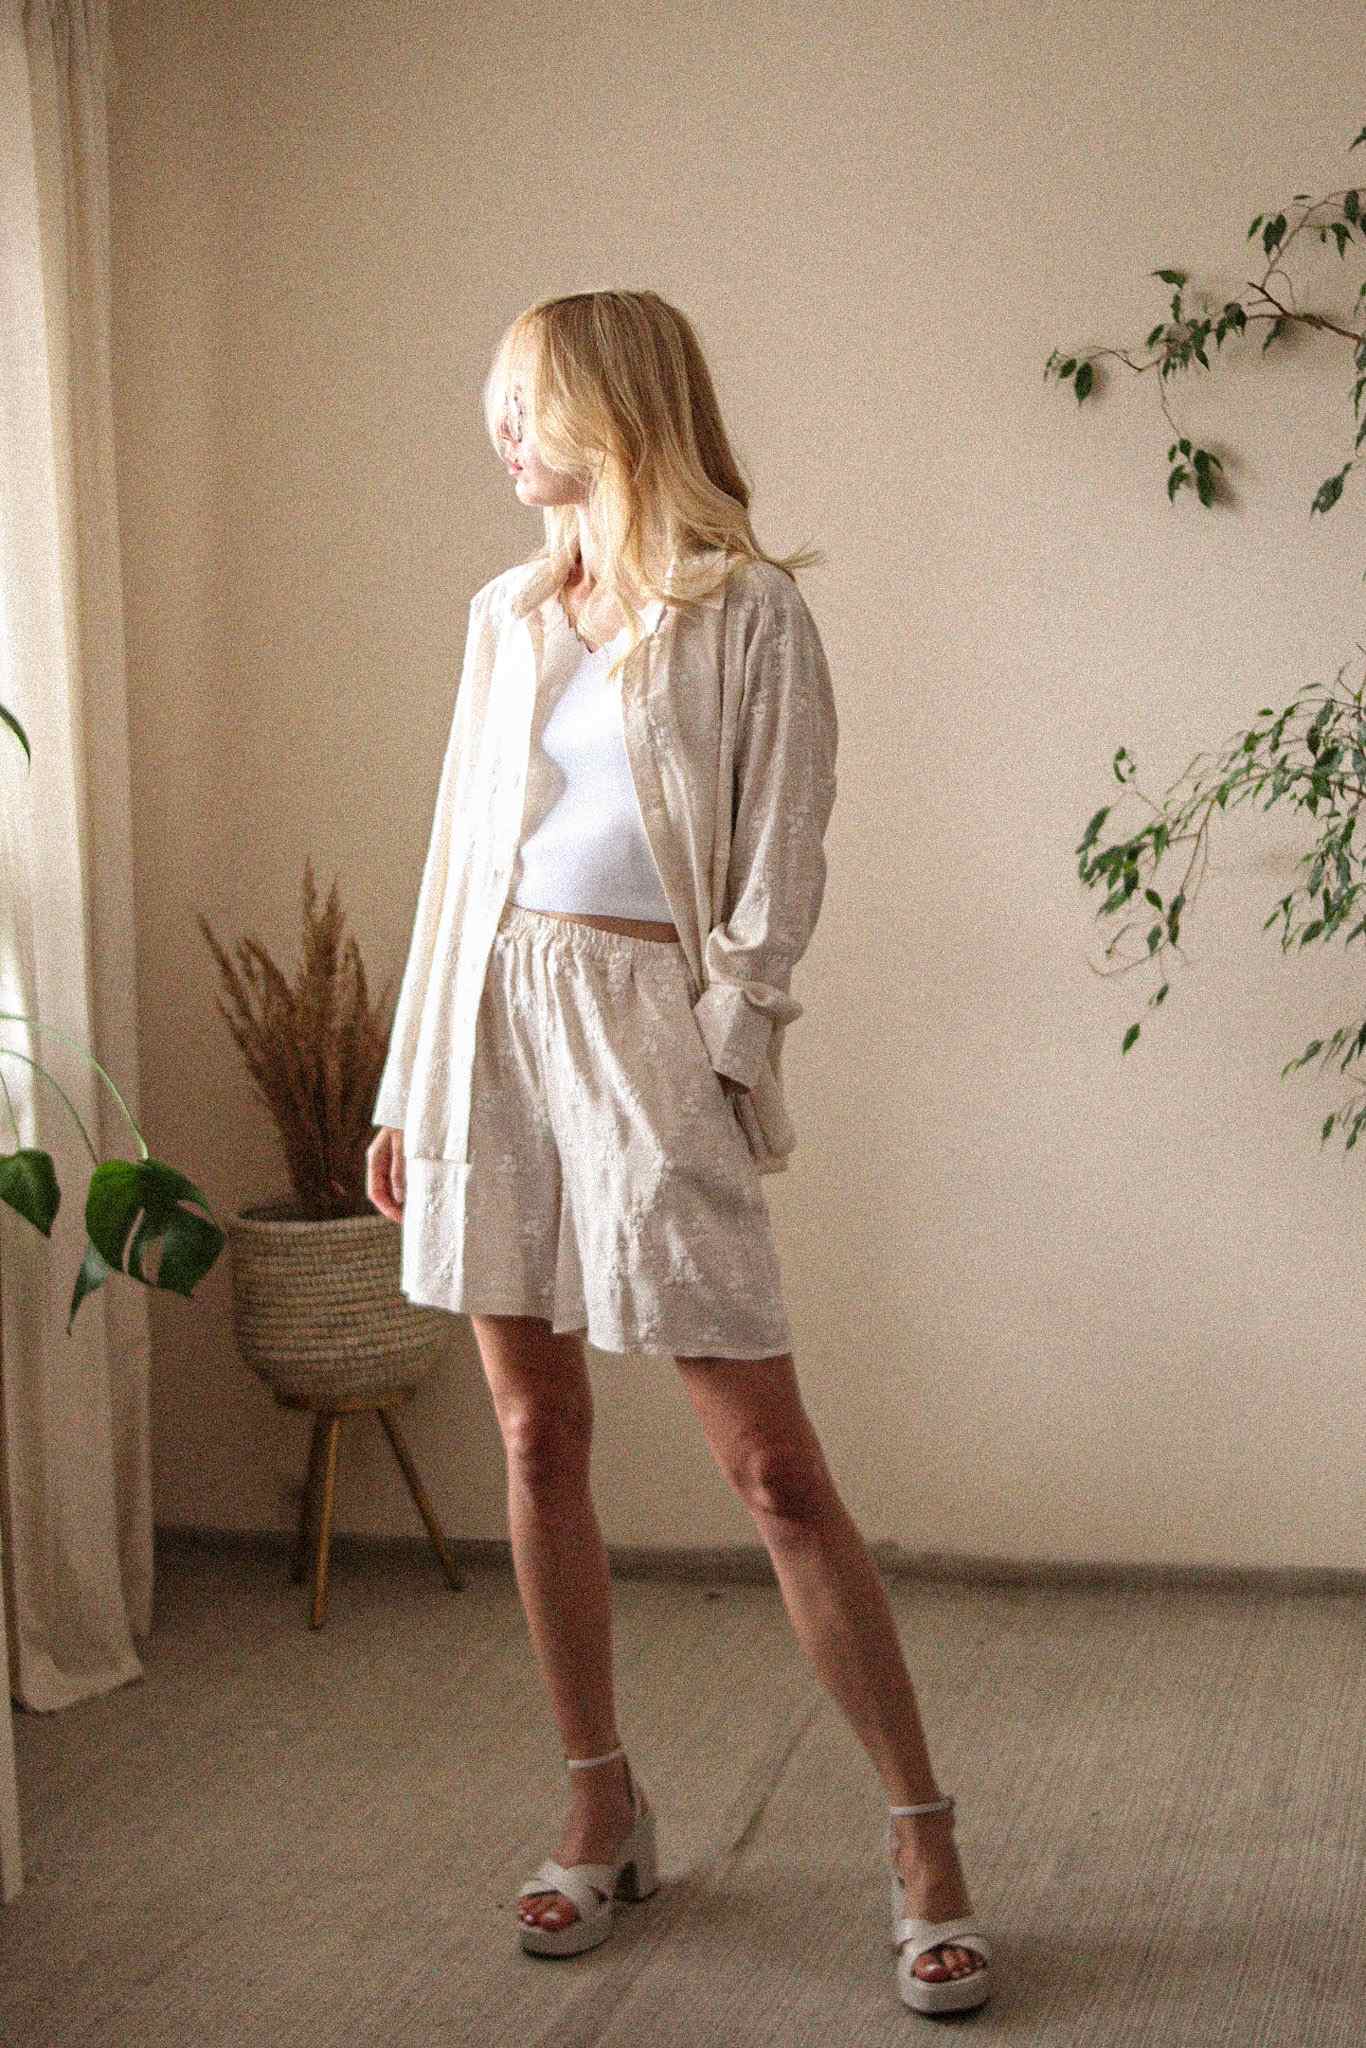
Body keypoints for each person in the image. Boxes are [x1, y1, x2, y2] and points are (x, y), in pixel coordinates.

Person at [365, 290, 991, 2016]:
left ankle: (920, 1836)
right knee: (535, 1430)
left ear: (615, 407)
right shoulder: (505, 614)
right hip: (489, 1023)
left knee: (772, 1471)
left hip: (648, 1031)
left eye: (527, 403)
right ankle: (601, 1805)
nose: (501, 435)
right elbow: (454, 863)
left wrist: (722, 1051)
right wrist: (409, 1082)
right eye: (496, 405)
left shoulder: (749, 611)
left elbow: (782, 856)